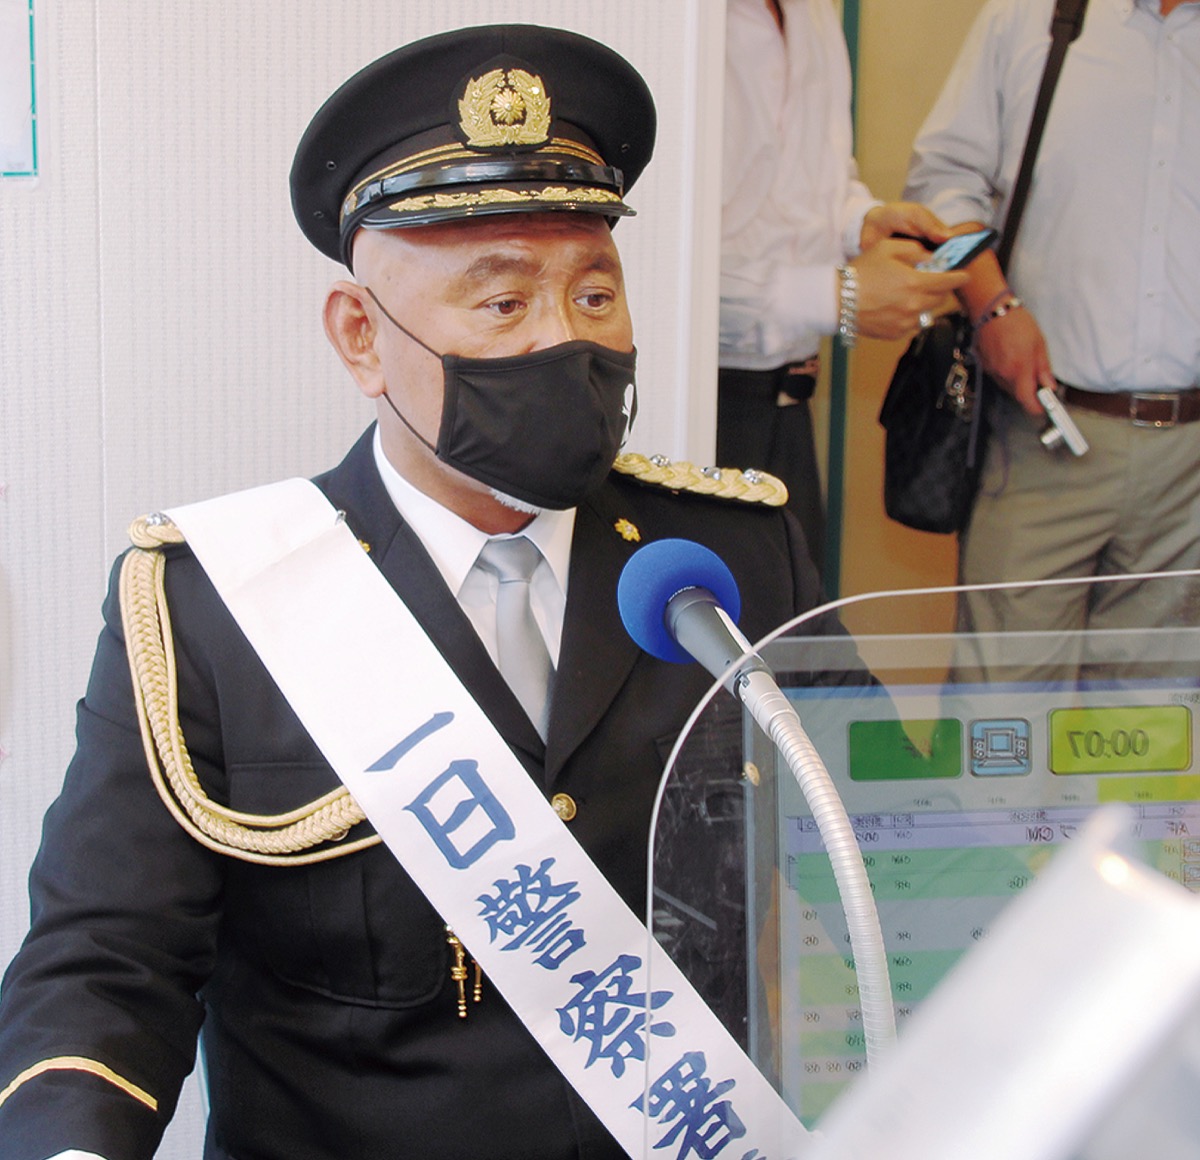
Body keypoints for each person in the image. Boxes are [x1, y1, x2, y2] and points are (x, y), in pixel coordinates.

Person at [0, 24, 852, 1160]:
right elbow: (105, 966)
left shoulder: (732, 560)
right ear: (362, 337)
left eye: (596, 293)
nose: (566, 343)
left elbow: (874, 858)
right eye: (502, 304)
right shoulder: (219, 608)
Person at [904, 0, 1200, 674]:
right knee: (1003, 708)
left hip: (1190, 466)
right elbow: (942, 183)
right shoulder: (1030, 15)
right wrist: (991, 307)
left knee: (1160, 721)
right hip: (1041, 436)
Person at [718, 0, 969, 570]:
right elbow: (654, 255)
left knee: (795, 618)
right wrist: (838, 298)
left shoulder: (814, 13)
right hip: (693, 403)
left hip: (789, 402)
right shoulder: (670, 22)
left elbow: (817, 176)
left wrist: (863, 221)